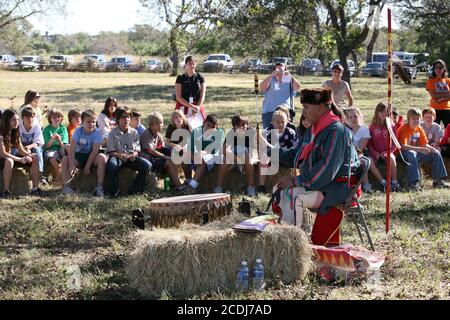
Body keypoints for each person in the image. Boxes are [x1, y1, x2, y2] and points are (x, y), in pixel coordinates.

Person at [276, 88, 360, 246]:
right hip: (320, 184)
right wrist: (269, 151)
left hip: (337, 188)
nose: (304, 112)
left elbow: (327, 170)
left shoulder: (337, 131)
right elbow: (296, 155)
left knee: (293, 197)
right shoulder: (314, 129)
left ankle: (296, 246)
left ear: (321, 107)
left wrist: (296, 181)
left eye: (307, 107)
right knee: (280, 190)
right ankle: (287, 243)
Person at [104, 107, 152, 197]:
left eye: (128, 117)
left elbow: (137, 149)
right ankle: (113, 192)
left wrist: (134, 154)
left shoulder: (135, 132)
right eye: (123, 117)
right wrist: (120, 155)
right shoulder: (112, 133)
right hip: (118, 156)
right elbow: (110, 152)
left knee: (147, 165)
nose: (126, 119)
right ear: (118, 119)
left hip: (131, 157)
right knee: (111, 166)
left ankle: (135, 190)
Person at [398, 108, 449, 190]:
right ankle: (413, 184)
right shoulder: (404, 128)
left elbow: (424, 143)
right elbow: (403, 147)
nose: (416, 120)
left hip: (416, 154)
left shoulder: (419, 128)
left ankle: (438, 181)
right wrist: (420, 149)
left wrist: (431, 148)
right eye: (413, 118)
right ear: (409, 119)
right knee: (411, 153)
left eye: (417, 118)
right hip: (403, 155)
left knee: (435, 153)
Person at [61, 110, 107, 197]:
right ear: (82, 122)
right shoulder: (78, 131)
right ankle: (67, 187)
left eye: (93, 122)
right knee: (65, 159)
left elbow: (94, 151)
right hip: (79, 156)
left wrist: (87, 166)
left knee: (103, 157)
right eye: (88, 122)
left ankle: (99, 187)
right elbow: (72, 149)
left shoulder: (97, 133)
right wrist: (71, 164)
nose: (91, 124)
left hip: (92, 157)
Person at [0, 109, 44, 198]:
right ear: (7, 120)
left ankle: (35, 188)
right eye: (13, 120)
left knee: (34, 157)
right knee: (9, 161)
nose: (16, 122)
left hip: (12, 158)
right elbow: (3, 154)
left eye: (17, 119)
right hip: (3, 160)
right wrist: (20, 159)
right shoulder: (1, 134)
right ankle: (6, 191)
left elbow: (20, 150)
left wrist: (28, 156)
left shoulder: (15, 132)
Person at [140, 112, 185, 192]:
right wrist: (165, 157)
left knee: (173, 159)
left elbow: (161, 147)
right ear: (151, 125)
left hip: (155, 156)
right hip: (147, 158)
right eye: (157, 123)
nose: (160, 125)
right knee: (168, 162)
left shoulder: (158, 135)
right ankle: (180, 187)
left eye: (161, 122)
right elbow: (150, 150)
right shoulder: (146, 133)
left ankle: (171, 184)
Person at [214, 115, 257, 196]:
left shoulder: (250, 132)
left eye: (246, 124)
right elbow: (224, 150)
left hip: (245, 155)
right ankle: (219, 186)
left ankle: (251, 187)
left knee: (247, 157)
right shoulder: (231, 133)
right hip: (233, 155)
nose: (245, 126)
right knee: (226, 159)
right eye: (242, 125)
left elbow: (250, 151)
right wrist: (235, 158)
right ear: (235, 126)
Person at [258, 111, 297, 192]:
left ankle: (294, 183)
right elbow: (263, 148)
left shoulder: (290, 133)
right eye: (278, 122)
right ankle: (261, 185)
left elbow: (295, 148)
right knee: (263, 158)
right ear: (272, 122)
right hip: (271, 158)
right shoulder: (267, 132)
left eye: (283, 122)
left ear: (287, 122)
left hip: (286, 158)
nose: (281, 124)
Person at [185, 114, 224, 193]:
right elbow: (190, 149)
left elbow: (214, 149)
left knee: (202, 160)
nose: (210, 128)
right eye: (208, 125)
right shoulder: (196, 131)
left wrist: (202, 153)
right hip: (199, 156)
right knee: (184, 155)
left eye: (213, 127)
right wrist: (196, 159)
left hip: (214, 157)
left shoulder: (220, 133)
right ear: (204, 123)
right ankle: (188, 180)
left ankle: (192, 185)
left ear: (216, 127)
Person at [367, 102, 402, 192]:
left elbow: (395, 142)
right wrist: (376, 154)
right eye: (381, 111)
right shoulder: (372, 127)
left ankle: (394, 182)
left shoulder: (391, 125)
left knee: (392, 158)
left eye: (385, 111)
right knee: (369, 162)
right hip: (377, 154)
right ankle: (383, 182)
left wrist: (388, 152)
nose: (383, 113)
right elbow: (369, 144)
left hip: (388, 152)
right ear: (377, 112)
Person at [260, 62, 301, 128]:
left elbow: (298, 87)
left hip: (286, 112)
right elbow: (261, 87)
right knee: (272, 136)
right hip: (270, 112)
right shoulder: (271, 79)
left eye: (282, 70)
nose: (280, 72)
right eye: (277, 70)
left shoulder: (289, 80)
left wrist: (290, 76)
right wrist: (271, 76)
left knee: (287, 134)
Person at [347, 107, 376, 192]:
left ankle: (366, 185)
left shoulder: (364, 130)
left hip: (359, 153)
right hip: (347, 154)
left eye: (355, 116)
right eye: (350, 117)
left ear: (359, 116)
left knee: (363, 162)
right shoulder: (346, 129)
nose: (353, 119)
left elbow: (360, 148)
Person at [175, 56, 206, 129]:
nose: (192, 66)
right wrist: (192, 107)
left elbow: (202, 95)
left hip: (197, 105)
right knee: (182, 128)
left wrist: (197, 108)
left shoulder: (200, 77)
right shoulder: (180, 78)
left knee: (200, 128)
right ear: (185, 65)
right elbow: (178, 97)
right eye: (189, 64)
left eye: (193, 64)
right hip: (183, 105)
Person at [165, 110, 192, 182]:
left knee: (185, 156)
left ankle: (188, 179)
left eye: (180, 117)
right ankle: (174, 181)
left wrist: (184, 147)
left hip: (185, 147)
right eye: (176, 117)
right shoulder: (171, 127)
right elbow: (167, 142)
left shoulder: (187, 125)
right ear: (173, 120)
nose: (178, 119)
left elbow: (191, 140)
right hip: (173, 147)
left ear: (183, 118)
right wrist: (175, 146)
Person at [19, 107, 45, 182]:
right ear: (23, 118)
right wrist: (24, 148)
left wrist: (29, 147)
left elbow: (38, 142)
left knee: (37, 150)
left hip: (33, 148)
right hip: (21, 149)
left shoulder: (36, 127)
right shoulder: (19, 127)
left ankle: (40, 173)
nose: (30, 119)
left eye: (32, 117)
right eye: (27, 117)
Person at [43, 108, 69, 180]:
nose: (57, 119)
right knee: (50, 156)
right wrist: (52, 139)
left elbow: (63, 145)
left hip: (60, 148)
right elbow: (47, 146)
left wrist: (59, 140)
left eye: (58, 117)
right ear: (50, 119)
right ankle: (60, 173)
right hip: (50, 149)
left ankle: (73, 165)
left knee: (68, 147)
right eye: (54, 117)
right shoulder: (46, 129)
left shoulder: (63, 128)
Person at [425, 59, 450, 128]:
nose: (438, 69)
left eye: (440, 67)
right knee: (434, 130)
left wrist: (441, 98)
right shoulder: (430, 81)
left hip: (447, 109)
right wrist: (447, 95)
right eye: (436, 67)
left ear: (444, 69)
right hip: (434, 109)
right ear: (433, 69)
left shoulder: (448, 80)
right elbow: (433, 95)